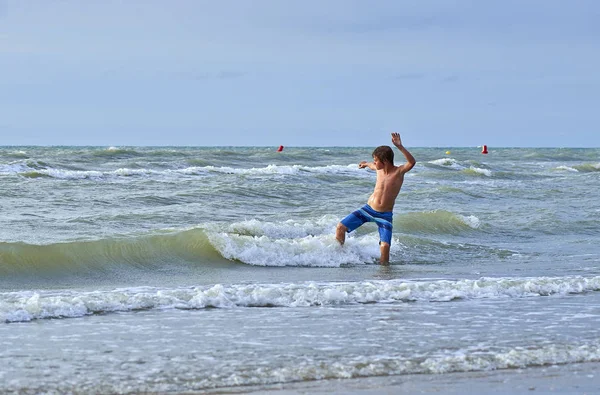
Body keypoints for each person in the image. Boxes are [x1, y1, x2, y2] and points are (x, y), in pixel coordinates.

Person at [336, 133, 416, 264]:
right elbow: (371, 165)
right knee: (340, 227)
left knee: (385, 247)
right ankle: (339, 256)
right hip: (368, 209)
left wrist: (399, 146)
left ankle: (384, 272)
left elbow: (412, 162)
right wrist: (365, 164)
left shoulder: (399, 172)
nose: (374, 162)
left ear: (384, 161)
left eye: (376, 160)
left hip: (384, 215)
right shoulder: (378, 169)